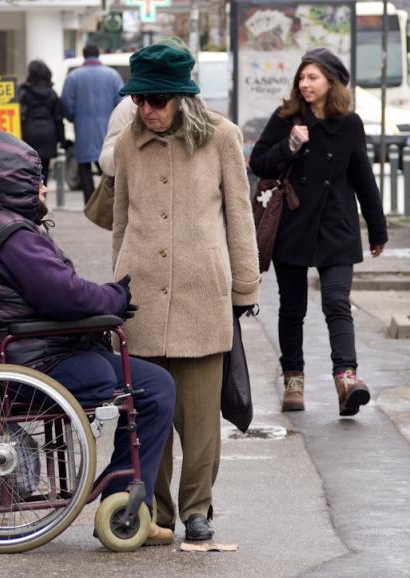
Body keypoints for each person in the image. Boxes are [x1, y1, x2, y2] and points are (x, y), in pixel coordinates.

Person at [0, 127, 177, 546]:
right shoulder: (15, 239)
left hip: (26, 355)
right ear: (12, 184)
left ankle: (121, 495)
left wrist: (103, 302)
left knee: (153, 382)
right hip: (39, 364)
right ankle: (124, 501)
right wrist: (115, 298)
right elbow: (64, 296)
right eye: (34, 180)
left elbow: (58, 292)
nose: (43, 188)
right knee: (154, 389)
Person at [111, 38, 260, 542]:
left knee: (199, 420)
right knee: (150, 413)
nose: (147, 109)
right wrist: (117, 289)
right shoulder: (128, 143)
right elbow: (120, 221)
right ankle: (157, 510)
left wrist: (246, 284)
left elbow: (239, 216)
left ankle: (198, 508)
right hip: (143, 296)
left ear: (182, 96)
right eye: (139, 99)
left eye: (157, 99)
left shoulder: (221, 137)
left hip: (202, 292)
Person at [249, 48, 388, 416]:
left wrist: (377, 230)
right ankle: (293, 379)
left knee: (337, 303)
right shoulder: (286, 118)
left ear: (331, 81)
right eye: (302, 77)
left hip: (336, 228)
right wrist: (289, 145)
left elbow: (363, 179)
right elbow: (259, 161)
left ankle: (346, 377)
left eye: (313, 77)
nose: (305, 83)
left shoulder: (350, 124)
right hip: (293, 226)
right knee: (292, 308)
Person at [61, 44, 123, 203]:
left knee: (84, 166)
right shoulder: (113, 75)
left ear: (84, 55)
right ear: (98, 54)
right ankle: (109, 201)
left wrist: (73, 117)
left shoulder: (73, 77)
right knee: (107, 165)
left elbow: (66, 105)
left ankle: (89, 202)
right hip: (107, 128)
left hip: (83, 129)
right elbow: (121, 102)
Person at [19, 60, 65, 185]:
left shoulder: (24, 92)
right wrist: (62, 141)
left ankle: (31, 200)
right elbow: (58, 118)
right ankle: (42, 198)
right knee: (44, 170)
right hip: (48, 136)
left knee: (29, 171)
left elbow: (19, 115)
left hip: (29, 134)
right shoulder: (52, 93)